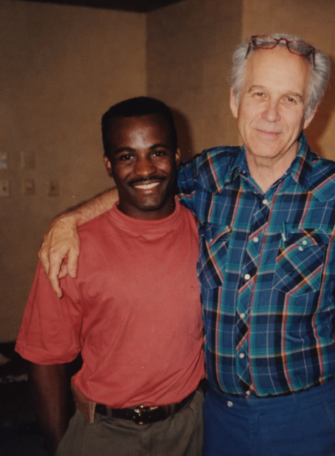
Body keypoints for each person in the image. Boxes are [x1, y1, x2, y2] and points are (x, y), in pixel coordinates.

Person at [38, 34, 335, 456]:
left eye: (290, 99)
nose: (271, 114)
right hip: (219, 415)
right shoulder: (208, 175)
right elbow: (145, 180)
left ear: (310, 112)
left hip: (306, 417)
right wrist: (70, 218)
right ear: (235, 100)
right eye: (258, 93)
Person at [16, 97, 206, 456]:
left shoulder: (206, 233)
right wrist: (57, 445)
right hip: (103, 434)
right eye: (127, 156)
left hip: (189, 430)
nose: (145, 169)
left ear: (177, 155)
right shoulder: (71, 248)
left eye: (157, 152)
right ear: (108, 164)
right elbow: (44, 357)